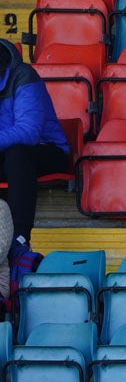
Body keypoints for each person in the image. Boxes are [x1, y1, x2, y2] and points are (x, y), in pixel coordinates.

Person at [0, 40, 69, 255]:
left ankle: (20, 239)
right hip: (7, 152)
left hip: (46, 150)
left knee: (17, 155)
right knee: (12, 155)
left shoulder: (23, 76)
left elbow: (28, 131)